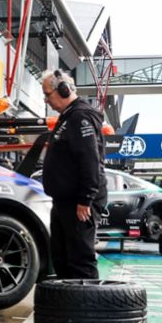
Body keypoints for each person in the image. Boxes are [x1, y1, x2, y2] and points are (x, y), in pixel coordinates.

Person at [40, 70, 105, 279]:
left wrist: (85, 199)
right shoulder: (68, 117)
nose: (46, 100)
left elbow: (89, 160)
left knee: (80, 259)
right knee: (62, 258)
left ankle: (89, 309)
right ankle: (69, 309)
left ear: (63, 90)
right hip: (64, 201)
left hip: (79, 203)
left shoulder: (80, 116)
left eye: (47, 94)